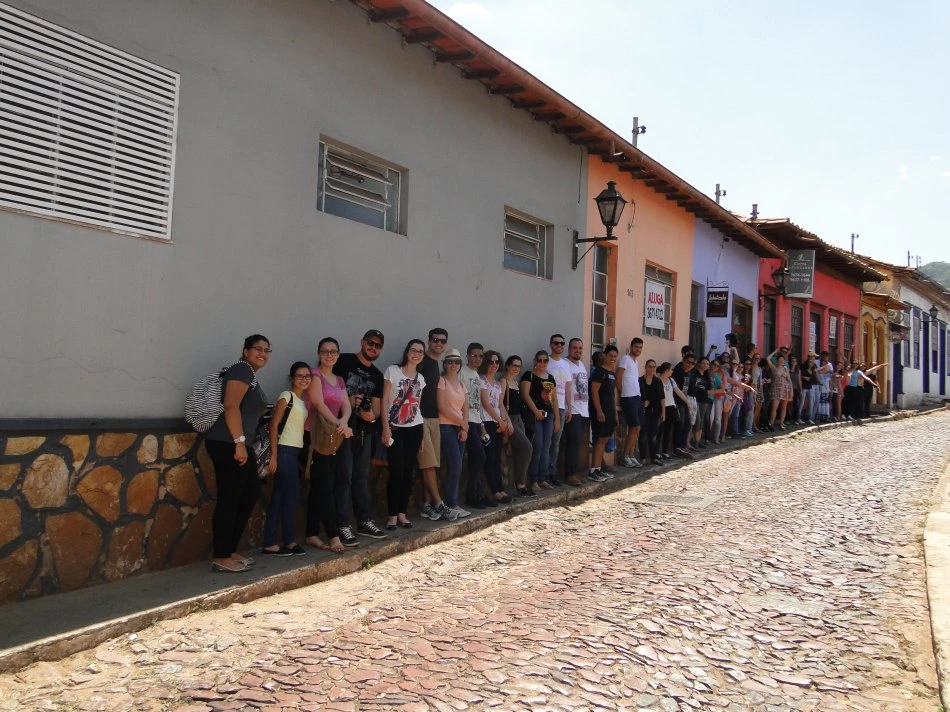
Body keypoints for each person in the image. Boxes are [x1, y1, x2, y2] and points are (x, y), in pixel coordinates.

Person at [204, 335, 270, 573]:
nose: (262, 353)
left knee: (249, 494)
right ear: (245, 351)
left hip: (240, 443)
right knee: (230, 499)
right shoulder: (242, 370)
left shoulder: (249, 374)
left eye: (266, 350)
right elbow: (230, 405)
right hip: (228, 442)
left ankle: (229, 550)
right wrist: (239, 443)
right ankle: (221, 557)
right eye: (257, 348)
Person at [333, 330, 388, 541]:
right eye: (370, 343)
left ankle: (364, 521)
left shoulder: (377, 376)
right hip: (342, 429)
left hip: (365, 432)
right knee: (344, 477)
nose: (373, 347)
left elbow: (376, 410)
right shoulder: (343, 361)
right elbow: (328, 387)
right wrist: (348, 400)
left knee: (361, 478)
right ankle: (341, 524)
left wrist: (369, 414)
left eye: (377, 345)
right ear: (362, 342)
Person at [305, 337, 354, 554]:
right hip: (315, 437)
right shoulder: (315, 375)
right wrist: (339, 425)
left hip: (334, 437)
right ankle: (334, 536)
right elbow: (318, 404)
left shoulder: (339, 379)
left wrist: (344, 422)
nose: (329, 355)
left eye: (333, 351)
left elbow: (346, 405)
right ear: (319, 354)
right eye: (325, 351)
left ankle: (311, 533)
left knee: (321, 486)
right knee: (325, 487)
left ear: (338, 354)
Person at [261, 361, 311, 557]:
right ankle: (288, 541)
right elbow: (274, 425)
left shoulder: (302, 400)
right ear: (291, 378)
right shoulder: (286, 396)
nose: (304, 379)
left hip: (294, 451)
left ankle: (270, 542)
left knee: (280, 497)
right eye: (300, 376)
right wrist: (274, 455)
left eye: (307, 376)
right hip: (283, 450)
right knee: (290, 496)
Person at [381, 340, 426, 530]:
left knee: (408, 472)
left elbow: (418, 406)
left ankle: (402, 513)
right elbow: (384, 400)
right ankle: (392, 515)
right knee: (396, 471)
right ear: (407, 352)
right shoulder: (393, 371)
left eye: (420, 352)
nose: (416, 354)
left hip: (415, 428)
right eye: (413, 350)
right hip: (395, 428)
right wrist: (385, 427)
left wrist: (422, 435)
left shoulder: (421, 378)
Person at [418, 329, 452, 521]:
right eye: (435, 340)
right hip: (420, 419)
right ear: (429, 341)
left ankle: (428, 505)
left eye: (442, 341)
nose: (439, 343)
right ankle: (439, 503)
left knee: (430, 465)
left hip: (434, 419)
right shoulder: (421, 362)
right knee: (428, 464)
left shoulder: (435, 365)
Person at [436, 348, 470, 520]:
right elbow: (442, 406)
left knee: (457, 466)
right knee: (455, 464)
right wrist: (462, 423)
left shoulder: (462, 385)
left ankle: (452, 502)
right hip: (446, 427)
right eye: (450, 361)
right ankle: (451, 503)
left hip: (459, 428)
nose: (453, 365)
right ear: (445, 364)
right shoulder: (441, 381)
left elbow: (466, 408)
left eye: (456, 362)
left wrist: (464, 428)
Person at [480, 350, 514, 503]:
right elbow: (486, 404)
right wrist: (500, 421)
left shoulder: (498, 384)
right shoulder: (482, 381)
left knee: (497, 457)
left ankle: (500, 489)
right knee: (490, 457)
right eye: (491, 362)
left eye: (497, 362)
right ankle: (495, 491)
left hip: (497, 423)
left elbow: (500, 405)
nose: (494, 365)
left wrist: (507, 422)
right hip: (486, 422)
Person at [461, 342, 493, 509]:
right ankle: (472, 495)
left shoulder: (477, 376)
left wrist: (482, 425)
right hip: (465, 421)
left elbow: (478, 403)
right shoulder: (462, 372)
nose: (477, 359)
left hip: (476, 421)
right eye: (474, 355)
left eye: (480, 356)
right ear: (467, 355)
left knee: (480, 457)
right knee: (479, 456)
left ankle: (478, 493)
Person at [521, 350, 559, 491]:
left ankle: (543, 478)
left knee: (546, 447)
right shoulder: (529, 375)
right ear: (535, 361)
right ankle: (534, 480)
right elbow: (525, 395)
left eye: (545, 360)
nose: (542, 363)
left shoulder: (551, 378)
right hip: (534, 416)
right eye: (539, 360)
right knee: (537, 446)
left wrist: (557, 418)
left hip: (548, 417)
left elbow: (554, 399)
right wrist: (536, 411)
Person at [500, 355, 535, 497]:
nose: (516, 368)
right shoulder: (503, 381)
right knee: (527, 447)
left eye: (519, 366)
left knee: (520, 451)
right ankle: (521, 485)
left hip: (519, 419)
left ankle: (520, 484)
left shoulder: (515, 382)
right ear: (507, 366)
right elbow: (500, 404)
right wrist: (507, 421)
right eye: (514, 365)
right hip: (510, 420)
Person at [545, 334, 572, 487]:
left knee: (556, 443)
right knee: (547, 442)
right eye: (556, 343)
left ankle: (552, 473)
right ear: (551, 345)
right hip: (548, 407)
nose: (559, 346)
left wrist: (569, 407)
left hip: (561, 407)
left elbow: (567, 387)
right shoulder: (546, 362)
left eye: (562, 343)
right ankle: (544, 474)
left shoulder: (566, 364)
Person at [589, 345, 619, 480]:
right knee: (600, 440)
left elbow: (612, 395)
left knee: (605, 440)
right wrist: (599, 411)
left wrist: (615, 413)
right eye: (610, 356)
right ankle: (593, 471)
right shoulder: (599, 372)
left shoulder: (612, 374)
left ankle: (599, 469)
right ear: (605, 356)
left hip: (610, 412)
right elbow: (594, 392)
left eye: (615, 356)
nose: (612, 358)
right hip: (600, 413)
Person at [563, 338, 590, 486]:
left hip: (583, 410)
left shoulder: (582, 365)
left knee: (578, 442)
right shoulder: (565, 364)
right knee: (573, 442)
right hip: (572, 410)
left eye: (580, 348)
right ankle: (569, 474)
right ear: (569, 349)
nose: (577, 351)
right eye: (574, 348)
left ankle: (574, 471)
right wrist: (567, 408)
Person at [616, 337, 645, 468]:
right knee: (634, 427)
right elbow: (619, 377)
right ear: (631, 347)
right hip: (628, 397)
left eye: (640, 347)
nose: (638, 349)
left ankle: (631, 455)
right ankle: (625, 456)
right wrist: (621, 394)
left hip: (637, 397)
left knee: (637, 428)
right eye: (636, 347)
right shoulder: (625, 359)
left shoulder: (635, 362)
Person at [657, 362, 687, 459]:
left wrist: (687, 402)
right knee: (659, 430)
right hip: (661, 407)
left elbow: (678, 391)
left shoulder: (671, 380)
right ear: (667, 370)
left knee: (668, 430)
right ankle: (657, 452)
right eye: (671, 369)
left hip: (671, 407)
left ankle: (664, 451)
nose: (672, 371)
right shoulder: (657, 379)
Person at [638, 359, 664, 464]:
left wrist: (663, 412)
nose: (652, 369)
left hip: (656, 411)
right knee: (643, 435)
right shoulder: (640, 381)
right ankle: (643, 458)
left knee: (654, 435)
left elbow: (662, 397)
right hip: (644, 412)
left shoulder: (658, 381)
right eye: (650, 366)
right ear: (645, 367)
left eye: (654, 367)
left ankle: (653, 457)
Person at [689, 357, 712, 448]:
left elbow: (709, 389)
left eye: (707, 364)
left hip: (704, 400)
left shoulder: (707, 376)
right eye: (703, 363)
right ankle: (691, 441)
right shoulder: (694, 373)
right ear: (699, 363)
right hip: (695, 399)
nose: (705, 365)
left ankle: (697, 442)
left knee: (701, 421)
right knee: (696, 420)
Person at [767, 353, 793, 430]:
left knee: (784, 407)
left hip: (785, 389)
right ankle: (771, 423)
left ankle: (781, 424)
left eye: (783, 360)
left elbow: (789, 380)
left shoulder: (786, 369)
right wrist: (775, 352)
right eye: (780, 360)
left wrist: (791, 390)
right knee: (774, 407)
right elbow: (768, 359)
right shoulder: (774, 368)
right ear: (777, 361)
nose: (781, 361)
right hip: (776, 389)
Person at [708, 360, 725, 444]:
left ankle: (716, 437)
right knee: (709, 419)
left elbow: (723, 388)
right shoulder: (705, 373)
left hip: (715, 398)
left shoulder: (716, 376)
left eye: (717, 366)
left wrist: (714, 392)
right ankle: (706, 438)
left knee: (717, 419)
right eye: (714, 364)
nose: (715, 367)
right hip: (706, 399)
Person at [788, 355, 803, 424]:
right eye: (792, 361)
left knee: (795, 404)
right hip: (788, 389)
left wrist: (801, 389)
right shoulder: (788, 370)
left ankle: (795, 419)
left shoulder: (798, 370)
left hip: (795, 388)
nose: (794, 363)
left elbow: (799, 380)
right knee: (788, 404)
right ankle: (788, 419)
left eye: (795, 361)